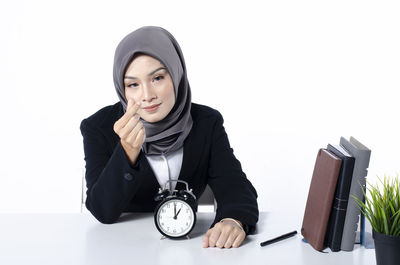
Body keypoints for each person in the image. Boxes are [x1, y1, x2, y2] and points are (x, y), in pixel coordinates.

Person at [80, 26, 258, 249]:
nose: (147, 96)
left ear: (176, 74)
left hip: (194, 248)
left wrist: (233, 220)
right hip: (125, 248)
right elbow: (102, 211)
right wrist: (126, 152)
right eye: (133, 84)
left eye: (157, 78)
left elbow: (236, 187)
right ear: (121, 87)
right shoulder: (99, 127)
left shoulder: (206, 123)